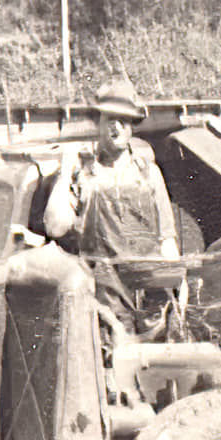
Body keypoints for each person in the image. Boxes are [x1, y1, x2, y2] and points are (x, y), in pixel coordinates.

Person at [44, 78, 179, 329]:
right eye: (109, 119)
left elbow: (167, 240)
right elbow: (55, 227)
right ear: (98, 123)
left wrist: (175, 291)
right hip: (103, 301)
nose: (116, 127)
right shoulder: (84, 175)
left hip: (151, 297)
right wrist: (65, 172)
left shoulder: (149, 174)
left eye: (123, 120)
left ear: (132, 127)